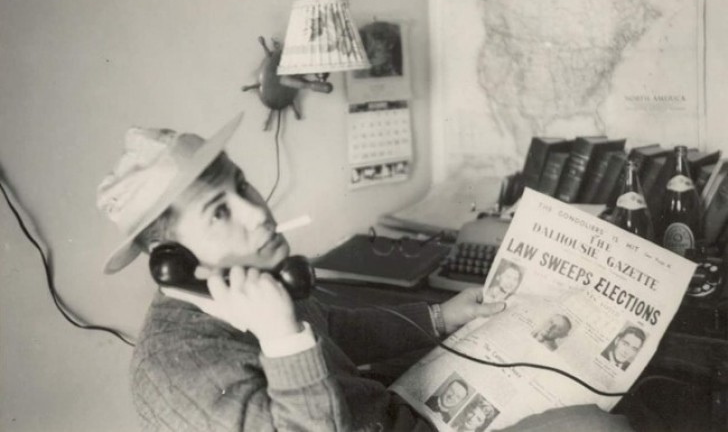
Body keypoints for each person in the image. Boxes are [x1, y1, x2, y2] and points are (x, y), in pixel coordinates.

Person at [98, 114, 635, 431]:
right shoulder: (179, 371)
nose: (256, 212)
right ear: (171, 260)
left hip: (396, 416)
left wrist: (439, 317)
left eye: (241, 185)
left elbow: (333, 328)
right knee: (597, 426)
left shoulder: (251, 284)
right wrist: (281, 340)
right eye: (220, 211)